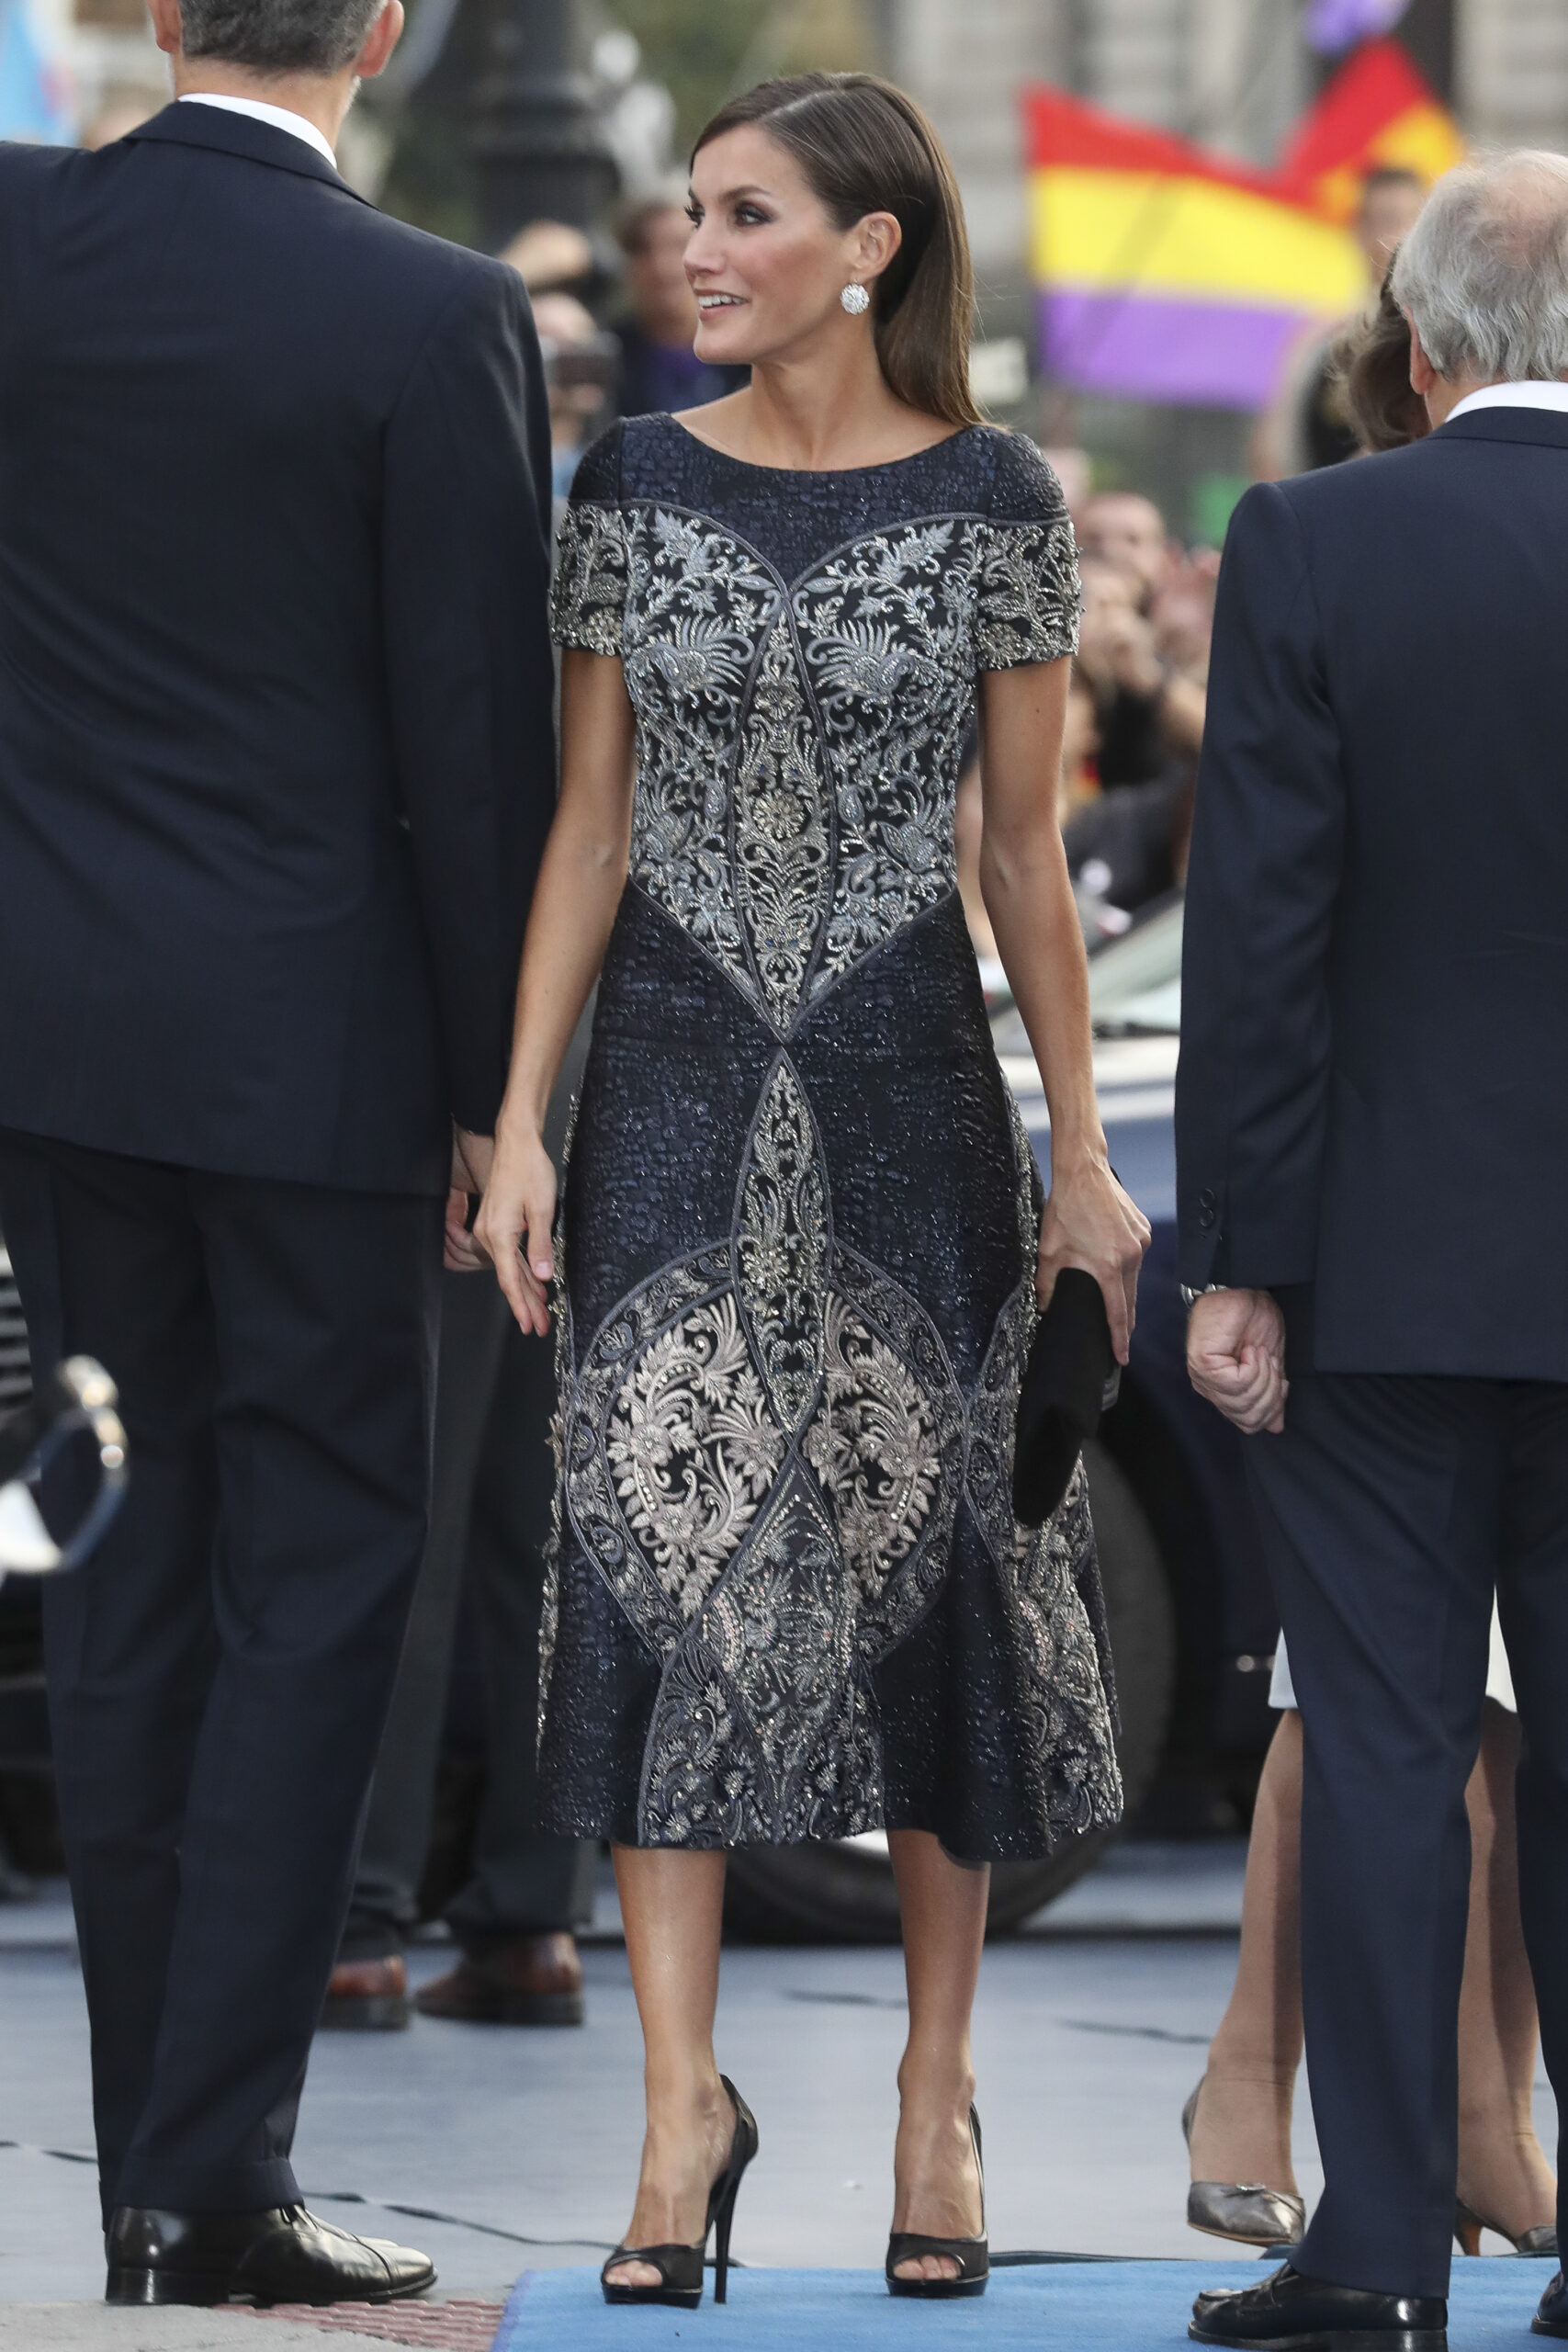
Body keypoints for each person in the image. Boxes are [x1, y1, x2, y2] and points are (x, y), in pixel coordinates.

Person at [471, 67, 1148, 2313]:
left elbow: (1020, 862)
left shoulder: (995, 498)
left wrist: (1077, 1165)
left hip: (907, 1102)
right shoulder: (623, 482)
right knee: (657, 1578)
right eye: (686, 208)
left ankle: (929, 2093)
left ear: (864, 247)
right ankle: (678, 2109)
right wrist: (523, 1118)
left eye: (740, 210)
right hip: (662, 1089)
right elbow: (585, 824)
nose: (694, 243)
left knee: (927, 1579)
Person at [0, 0, 557, 2309]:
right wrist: (491, 1094)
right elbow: (472, 726)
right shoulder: (430, 309)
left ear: (151, 17)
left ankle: (164, 2160)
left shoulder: (19, 244)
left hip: (56, 1041)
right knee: (322, 1583)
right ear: (388, 32)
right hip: (320, 1058)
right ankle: (205, 2179)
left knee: (124, 1575)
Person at [1177, 149, 1568, 2349]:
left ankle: (1375, 2249)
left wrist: (1230, 1250)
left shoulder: (1312, 535)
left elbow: (1261, 931)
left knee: (1390, 1746)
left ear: (1413, 355)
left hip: (1384, 1268)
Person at [1251, 165, 1427, 481]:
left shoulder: (1443, 339)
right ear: (1358, 230)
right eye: (1384, 221)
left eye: (1408, 221)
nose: (1396, 238)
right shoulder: (1317, 344)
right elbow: (1272, 455)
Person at [610, 191, 749, 417]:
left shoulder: (749, 355)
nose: (661, 267)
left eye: (678, 246)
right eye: (643, 250)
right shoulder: (612, 356)